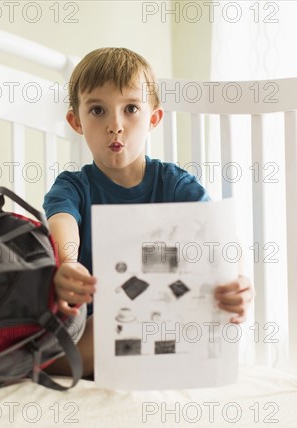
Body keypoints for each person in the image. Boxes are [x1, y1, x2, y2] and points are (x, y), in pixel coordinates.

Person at [42, 48, 254, 377]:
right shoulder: (74, 186)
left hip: (166, 323)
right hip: (99, 331)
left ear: (153, 118)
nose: (115, 125)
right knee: (102, 328)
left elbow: (220, 236)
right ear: (76, 122)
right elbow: (62, 221)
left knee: (202, 316)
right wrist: (67, 263)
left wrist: (235, 280)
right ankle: (35, 363)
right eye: (98, 110)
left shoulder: (176, 184)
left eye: (131, 109)